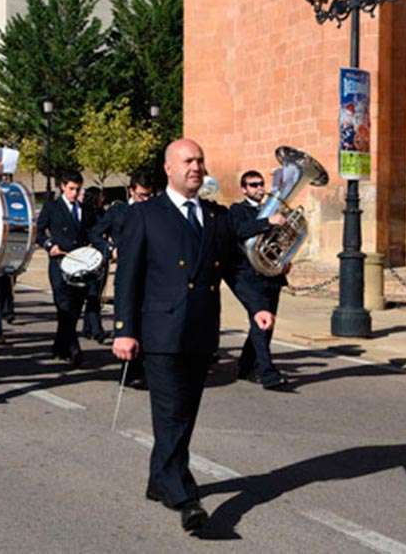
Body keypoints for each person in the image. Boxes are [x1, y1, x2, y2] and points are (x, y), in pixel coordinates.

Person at [112, 139, 281, 534]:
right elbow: (127, 279)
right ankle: (186, 497)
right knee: (170, 414)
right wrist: (124, 331)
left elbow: (233, 270)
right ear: (168, 168)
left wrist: (255, 305)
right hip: (161, 333)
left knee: (184, 415)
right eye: (188, 160)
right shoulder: (145, 215)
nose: (195, 166)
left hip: (202, 333)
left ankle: (159, 480)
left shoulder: (214, 216)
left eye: (200, 160)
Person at [89, 170, 157, 387]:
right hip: (127, 273)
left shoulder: (157, 211)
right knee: (129, 317)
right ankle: (129, 370)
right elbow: (95, 233)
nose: (145, 200)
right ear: (131, 191)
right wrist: (110, 249)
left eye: (149, 196)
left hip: (151, 273)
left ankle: (145, 368)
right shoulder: (119, 211)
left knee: (149, 321)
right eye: (141, 195)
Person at [229, 170, 290, 389]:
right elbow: (238, 230)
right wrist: (267, 221)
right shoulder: (237, 210)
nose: (259, 189)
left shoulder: (274, 211)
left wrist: (285, 259)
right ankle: (267, 373)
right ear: (244, 189)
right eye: (253, 185)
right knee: (261, 323)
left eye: (261, 184)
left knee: (266, 324)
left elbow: (280, 242)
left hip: (271, 275)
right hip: (247, 276)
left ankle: (245, 367)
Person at [35, 171, 95, 368]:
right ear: (62, 187)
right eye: (71, 189)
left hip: (79, 266)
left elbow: (92, 232)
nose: (74, 193)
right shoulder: (52, 207)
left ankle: (59, 346)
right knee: (65, 307)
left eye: (77, 189)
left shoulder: (85, 209)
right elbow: (39, 231)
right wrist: (49, 245)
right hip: (59, 264)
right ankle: (73, 349)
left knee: (75, 309)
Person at [81, 185, 109, 342]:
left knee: (96, 293)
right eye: (100, 196)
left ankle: (88, 327)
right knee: (92, 293)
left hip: (102, 256)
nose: (103, 199)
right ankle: (97, 329)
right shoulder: (87, 213)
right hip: (91, 256)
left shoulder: (102, 212)